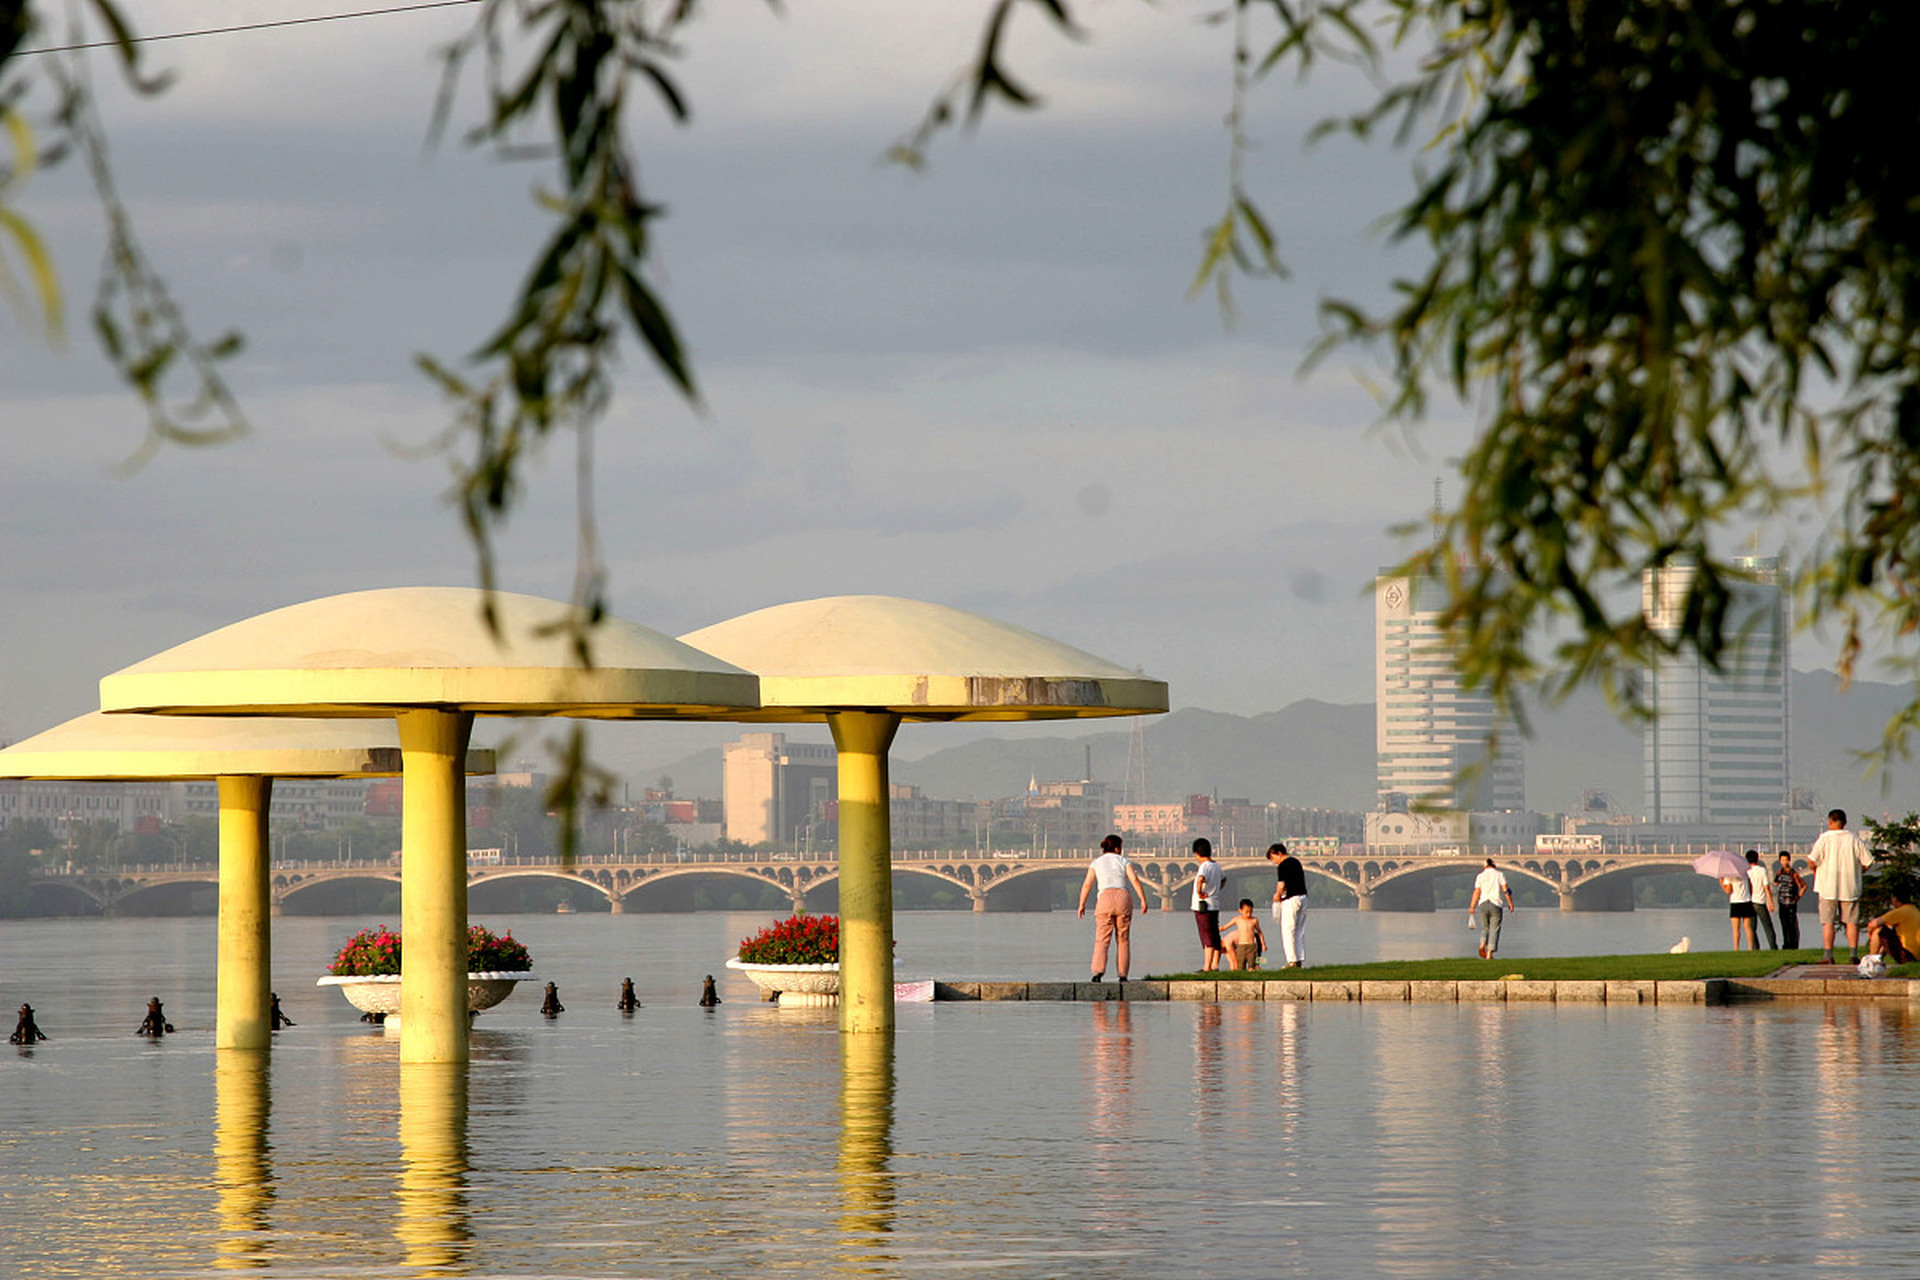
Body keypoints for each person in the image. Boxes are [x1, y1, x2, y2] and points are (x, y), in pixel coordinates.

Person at [1806, 809, 1876, 962]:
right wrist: (1859, 871)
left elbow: (1811, 861)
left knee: (1828, 923)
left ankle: (1828, 955)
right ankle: (1853, 954)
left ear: (1830, 821)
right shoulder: (1853, 838)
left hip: (1827, 887)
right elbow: (1868, 861)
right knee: (1852, 923)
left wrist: (1815, 870)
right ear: (1845, 822)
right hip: (1850, 887)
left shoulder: (1824, 838)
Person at [1078, 833, 1149, 982]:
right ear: (1117, 848)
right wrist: (1143, 899)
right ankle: (1122, 974)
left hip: (1105, 899)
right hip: (1123, 898)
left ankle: (1098, 973)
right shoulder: (1123, 861)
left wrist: (1082, 904)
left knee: (1102, 939)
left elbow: (1087, 884)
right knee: (1123, 939)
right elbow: (1134, 880)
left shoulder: (1096, 863)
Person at [1267, 841, 1309, 968]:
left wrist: (1277, 895)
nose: (1274, 862)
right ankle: (1299, 958)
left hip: (1290, 900)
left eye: (1273, 858)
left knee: (1288, 930)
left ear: (1279, 853)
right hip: (1303, 898)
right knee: (1299, 931)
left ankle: (1291, 960)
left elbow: (1281, 885)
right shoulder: (1296, 862)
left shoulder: (1283, 865)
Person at [1190, 838, 1229, 971]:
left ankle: (1207, 967)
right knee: (1215, 935)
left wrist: (1199, 892)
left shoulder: (1204, 866)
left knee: (1206, 936)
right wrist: (1217, 889)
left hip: (1203, 906)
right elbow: (1224, 879)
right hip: (1214, 904)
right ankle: (1215, 965)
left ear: (1197, 853)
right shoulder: (1216, 865)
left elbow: (1201, 878)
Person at [1466, 859, 1516, 960]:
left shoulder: (1480, 876)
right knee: (1494, 929)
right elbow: (1505, 890)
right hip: (1496, 904)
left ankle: (1482, 945)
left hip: (1483, 904)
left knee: (1485, 928)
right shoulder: (1499, 874)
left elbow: (1477, 892)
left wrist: (1472, 906)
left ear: (1485, 866)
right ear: (1494, 865)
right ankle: (1489, 954)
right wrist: (1510, 903)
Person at [1864, 887, 1920, 964]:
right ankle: (1879, 958)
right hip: (1916, 955)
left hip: (1905, 954)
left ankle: (1870, 960)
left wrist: (1870, 934)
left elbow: (1873, 924)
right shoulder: (1915, 910)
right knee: (1889, 932)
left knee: (1879, 930)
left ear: (1894, 898)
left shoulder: (1899, 912)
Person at [1722, 854, 1758, 951]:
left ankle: (1736, 948)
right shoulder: (1744, 874)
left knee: (1736, 929)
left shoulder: (1729, 875)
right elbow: (1750, 886)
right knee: (1748, 927)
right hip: (1746, 901)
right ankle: (1750, 948)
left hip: (1735, 902)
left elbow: (1728, 890)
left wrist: (1721, 882)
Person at [1774, 850, 1807, 950]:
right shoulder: (1780, 872)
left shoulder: (1793, 873)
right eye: (1782, 860)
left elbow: (1803, 886)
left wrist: (1798, 897)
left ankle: (1793, 944)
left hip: (1791, 903)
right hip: (1781, 902)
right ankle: (1786, 944)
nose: (1784, 862)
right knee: (1784, 924)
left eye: (1785, 860)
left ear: (1789, 860)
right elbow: (1775, 882)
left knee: (1792, 924)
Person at [1744, 850, 1778, 949]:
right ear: (1757, 859)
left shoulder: (1746, 871)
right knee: (1768, 927)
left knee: (1752, 928)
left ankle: (1755, 948)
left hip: (1749, 902)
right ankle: (1773, 947)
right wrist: (1770, 902)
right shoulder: (1762, 870)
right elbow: (1766, 887)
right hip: (1760, 902)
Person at [1222, 898, 1267, 970]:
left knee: (1252, 965)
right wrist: (1217, 929)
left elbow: (1259, 932)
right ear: (1240, 911)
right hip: (1241, 946)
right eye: (1247, 912)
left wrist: (1263, 944)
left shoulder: (1254, 920)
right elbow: (1225, 927)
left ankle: (1253, 969)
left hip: (1251, 946)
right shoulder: (1237, 919)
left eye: (1251, 912)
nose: (1249, 914)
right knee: (1240, 966)